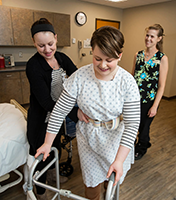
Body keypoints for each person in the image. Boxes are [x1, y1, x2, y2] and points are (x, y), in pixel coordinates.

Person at [35, 26, 141, 200]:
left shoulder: (127, 82)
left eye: (110, 60)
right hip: (89, 140)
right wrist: (48, 143)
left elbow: (131, 124)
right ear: (92, 51)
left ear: (120, 56)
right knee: (91, 188)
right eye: (97, 58)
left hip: (116, 141)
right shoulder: (80, 76)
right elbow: (59, 110)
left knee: (112, 184)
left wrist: (120, 160)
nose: (103, 65)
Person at [26, 18, 86, 200]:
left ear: (56, 38)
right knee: (43, 153)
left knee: (57, 147)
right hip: (42, 120)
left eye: (50, 44)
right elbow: (45, 102)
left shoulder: (61, 58)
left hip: (58, 117)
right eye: (41, 46)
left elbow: (78, 78)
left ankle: (53, 174)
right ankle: (41, 191)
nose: (47, 50)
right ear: (34, 44)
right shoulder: (33, 66)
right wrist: (74, 113)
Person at [132, 24, 168, 160]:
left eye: (152, 36)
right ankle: (138, 143)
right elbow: (133, 75)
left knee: (144, 127)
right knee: (134, 124)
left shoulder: (162, 59)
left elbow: (161, 86)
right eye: (147, 35)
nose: (148, 38)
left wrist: (155, 106)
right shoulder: (138, 55)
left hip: (150, 100)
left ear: (159, 39)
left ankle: (141, 147)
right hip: (135, 98)